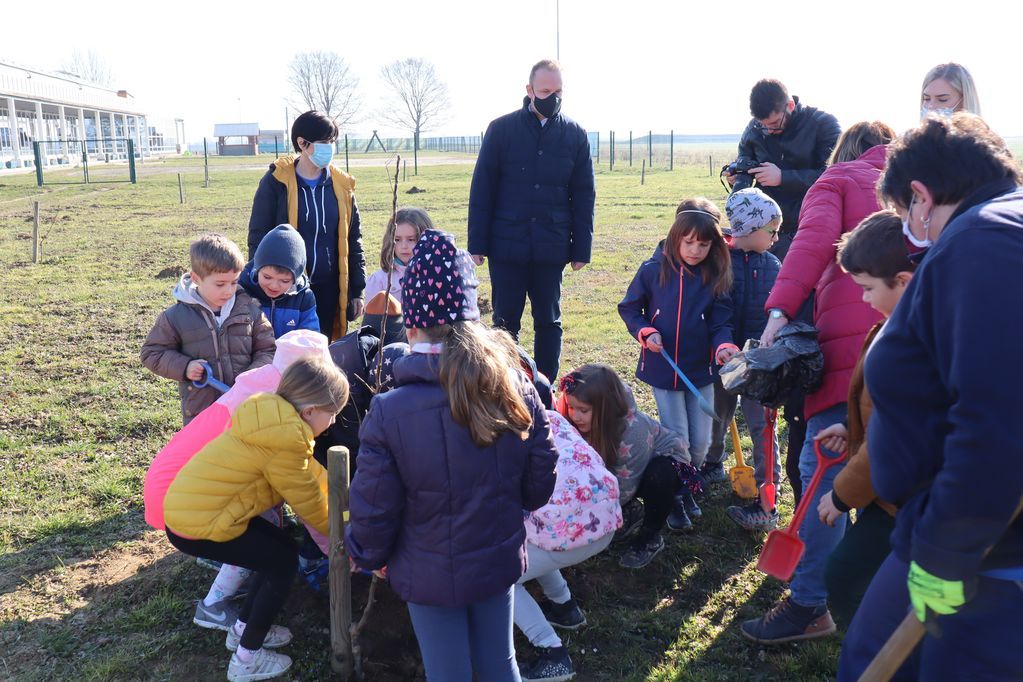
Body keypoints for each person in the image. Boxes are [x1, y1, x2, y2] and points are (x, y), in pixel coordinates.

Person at [837, 114, 1023, 680]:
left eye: (902, 215)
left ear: (920, 196)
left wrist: (947, 553)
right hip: (955, 533)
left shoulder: (984, 241)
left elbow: (997, 419)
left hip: (984, 557)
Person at [346, 229, 558, 682]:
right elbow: (541, 472)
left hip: (425, 572)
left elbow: (374, 501)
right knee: (501, 663)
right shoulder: (514, 387)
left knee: (448, 672)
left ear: (412, 322)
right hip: (497, 557)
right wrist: (513, 504)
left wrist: (369, 553)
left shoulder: (389, 410)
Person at [743, 121, 896, 644]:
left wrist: (777, 314)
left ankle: (811, 605)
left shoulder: (837, 180)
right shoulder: (922, 186)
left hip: (850, 352)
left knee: (821, 469)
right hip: (917, 348)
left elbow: (810, 245)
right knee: (894, 467)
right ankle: (883, 597)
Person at [163, 355, 349, 682]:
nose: (333, 422)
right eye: (332, 414)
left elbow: (311, 474)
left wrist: (344, 497)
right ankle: (247, 659)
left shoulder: (272, 418)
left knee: (280, 547)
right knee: (281, 564)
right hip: (200, 523)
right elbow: (308, 502)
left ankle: (242, 629)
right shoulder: (286, 440)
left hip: (196, 510)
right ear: (310, 412)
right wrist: (344, 533)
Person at [809, 211, 915, 629]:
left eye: (868, 289)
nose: (864, 299)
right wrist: (851, 431)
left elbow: (894, 436)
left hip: (896, 500)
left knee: (845, 577)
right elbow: (877, 415)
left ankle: (878, 647)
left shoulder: (909, 345)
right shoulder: (887, 327)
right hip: (884, 492)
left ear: (904, 282)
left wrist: (840, 496)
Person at [468, 58, 595, 382]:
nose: (552, 97)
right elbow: (482, 189)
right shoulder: (501, 130)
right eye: (545, 90)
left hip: (550, 247)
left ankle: (546, 386)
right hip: (506, 246)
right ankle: (505, 383)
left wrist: (581, 248)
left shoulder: (575, 135)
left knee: (548, 320)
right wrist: (477, 245)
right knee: (505, 321)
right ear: (529, 90)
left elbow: (583, 195)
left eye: (558, 91)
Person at [618, 197, 734, 528]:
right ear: (675, 238)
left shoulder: (716, 275)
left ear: (714, 245)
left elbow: (721, 321)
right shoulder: (652, 270)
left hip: (701, 371)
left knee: (701, 442)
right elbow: (629, 309)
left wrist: (724, 345)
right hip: (664, 369)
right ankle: (676, 495)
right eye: (689, 243)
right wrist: (645, 331)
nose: (696, 250)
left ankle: (686, 483)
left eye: (704, 244)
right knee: (679, 438)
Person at [698, 188, 783, 531]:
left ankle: (767, 499)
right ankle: (712, 461)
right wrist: (722, 346)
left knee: (762, 426)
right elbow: (719, 313)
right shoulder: (721, 265)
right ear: (747, 230)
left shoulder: (775, 265)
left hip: (760, 363)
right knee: (718, 413)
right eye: (772, 230)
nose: (777, 237)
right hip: (725, 359)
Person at [515, 409, 621, 682]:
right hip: (604, 521)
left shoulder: (502, 432)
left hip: (565, 535)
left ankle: (552, 654)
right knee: (532, 541)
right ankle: (565, 608)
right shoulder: (550, 415)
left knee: (496, 574)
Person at [558, 364, 693, 568]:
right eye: (570, 407)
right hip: (625, 468)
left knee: (659, 476)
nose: (575, 416)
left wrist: (595, 516)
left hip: (663, 464)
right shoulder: (582, 422)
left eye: (583, 410)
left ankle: (651, 534)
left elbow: (624, 486)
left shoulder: (633, 433)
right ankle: (632, 512)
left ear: (606, 408)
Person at [247, 110, 366, 341]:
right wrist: (262, 281)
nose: (329, 147)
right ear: (302, 143)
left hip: (330, 287)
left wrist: (357, 290)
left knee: (324, 348)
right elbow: (258, 236)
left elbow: (354, 240)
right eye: (324, 142)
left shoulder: (343, 186)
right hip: (288, 288)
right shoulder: (276, 182)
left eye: (332, 141)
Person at [141, 234, 275, 425]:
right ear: (196, 279)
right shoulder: (175, 317)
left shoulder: (249, 311)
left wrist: (251, 378)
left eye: (234, 282)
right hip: (201, 412)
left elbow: (268, 349)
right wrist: (185, 367)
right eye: (220, 284)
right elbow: (152, 353)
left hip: (244, 409)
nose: (229, 291)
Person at [729, 78, 841, 261]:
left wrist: (783, 177)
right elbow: (745, 164)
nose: (767, 130)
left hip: (809, 226)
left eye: (773, 124)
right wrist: (738, 177)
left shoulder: (823, 124)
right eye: (762, 124)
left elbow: (834, 175)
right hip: (763, 232)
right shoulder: (755, 128)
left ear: (789, 105)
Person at [363, 207, 435, 346]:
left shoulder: (435, 277)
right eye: (397, 239)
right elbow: (371, 326)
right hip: (390, 350)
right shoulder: (379, 280)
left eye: (411, 239)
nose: (403, 246)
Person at [240, 224, 320, 338]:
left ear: (295, 279)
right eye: (267, 277)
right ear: (257, 270)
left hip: (291, 355)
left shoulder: (303, 298)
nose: (274, 286)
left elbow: (311, 337)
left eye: (285, 280)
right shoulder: (243, 291)